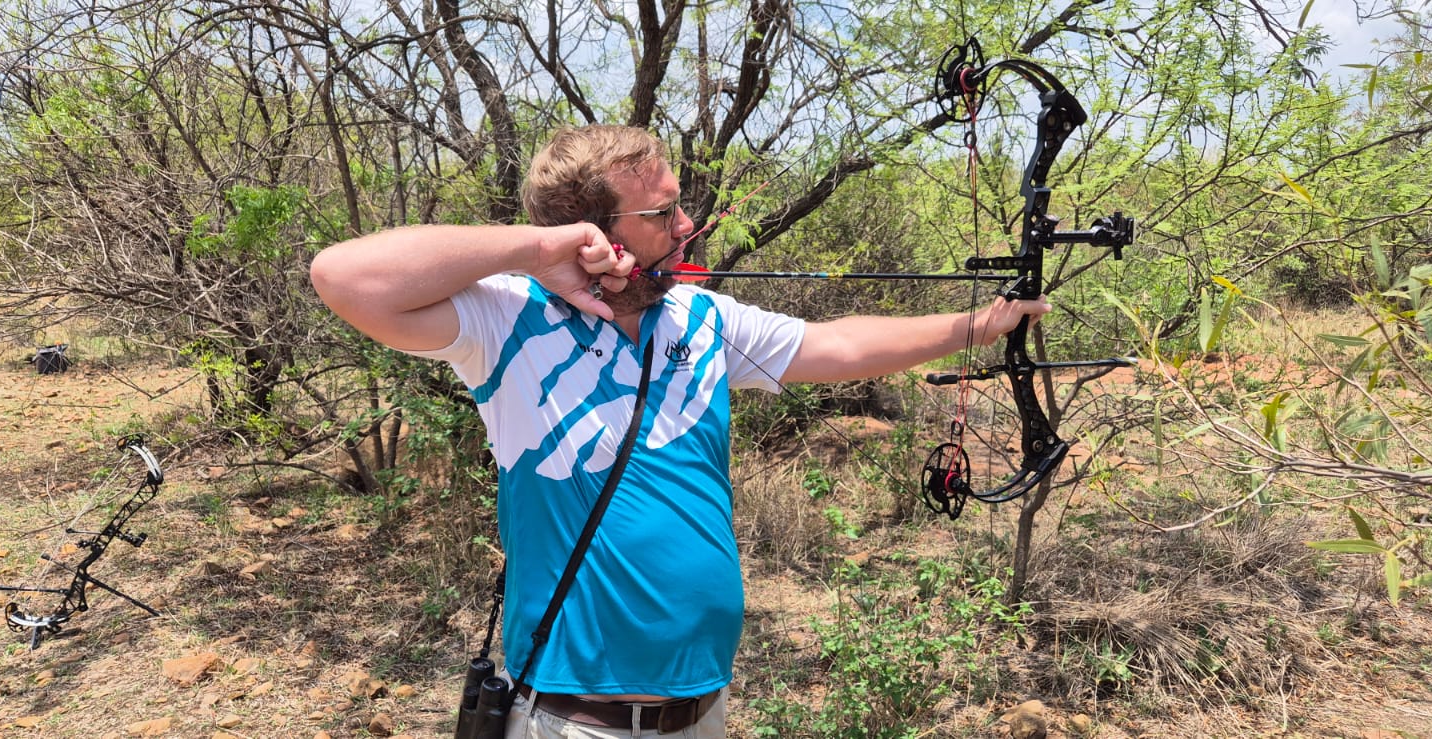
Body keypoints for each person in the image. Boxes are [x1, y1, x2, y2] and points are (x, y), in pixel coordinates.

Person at [310, 124, 1047, 738]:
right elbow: (344, 276)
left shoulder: (700, 318)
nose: (687, 225)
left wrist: (978, 325)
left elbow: (841, 345)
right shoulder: (505, 319)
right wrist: (537, 250)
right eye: (663, 213)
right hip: (575, 719)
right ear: (595, 232)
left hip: (701, 710)